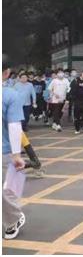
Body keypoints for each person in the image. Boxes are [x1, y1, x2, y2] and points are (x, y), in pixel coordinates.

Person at [2, 59, 27, 240]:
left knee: (3, 193)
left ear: (6, 73)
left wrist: (16, 154)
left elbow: (14, 126)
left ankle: (13, 219)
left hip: (2, 151)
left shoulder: (10, 95)